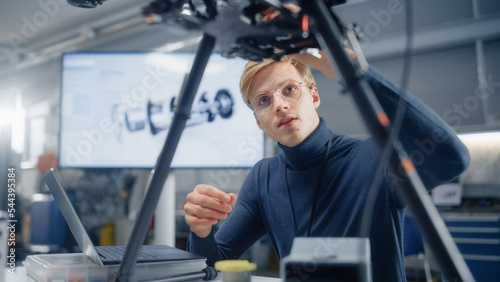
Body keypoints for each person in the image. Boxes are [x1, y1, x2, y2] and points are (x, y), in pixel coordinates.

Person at [182, 51, 470, 281]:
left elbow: (451, 158)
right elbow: (212, 264)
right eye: (264, 100)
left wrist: (356, 73)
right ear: (259, 121)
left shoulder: (375, 158)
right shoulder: (263, 177)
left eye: (290, 89)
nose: (280, 105)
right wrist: (201, 229)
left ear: (314, 96)